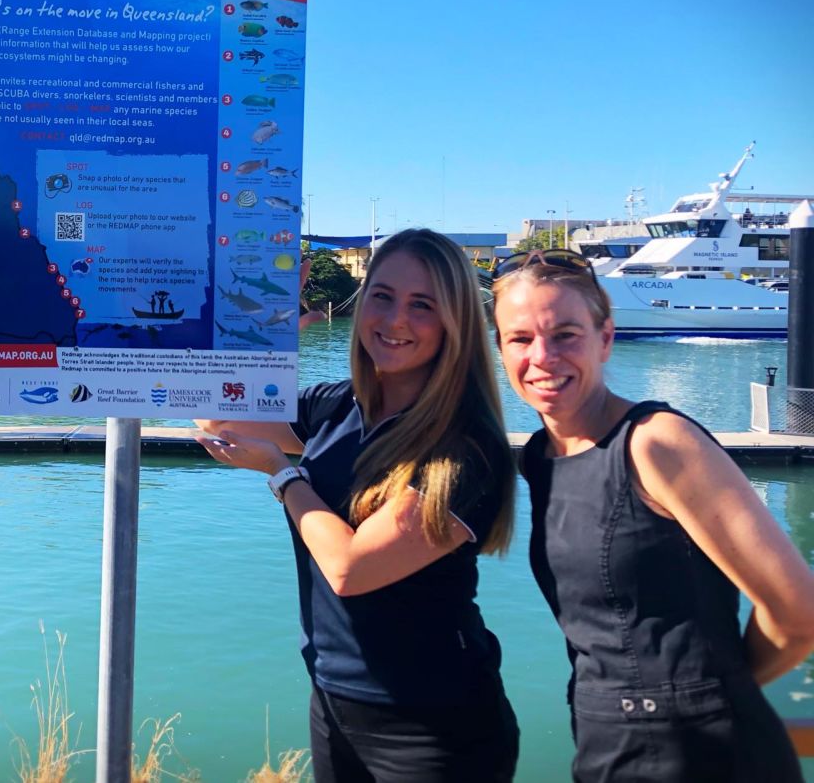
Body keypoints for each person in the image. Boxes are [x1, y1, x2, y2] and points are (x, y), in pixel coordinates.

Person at [198, 229, 519, 782]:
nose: (395, 319)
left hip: (435, 726)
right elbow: (218, 416)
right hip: (334, 700)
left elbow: (351, 568)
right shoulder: (340, 404)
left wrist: (283, 475)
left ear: (455, 322)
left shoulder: (466, 447)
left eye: (423, 305)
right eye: (383, 295)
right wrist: (265, 328)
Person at [490, 248, 814, 782]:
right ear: (500, 349)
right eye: (520, 338)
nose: (543, 357)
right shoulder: (541, 458)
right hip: (605, 749)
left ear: (606, 338)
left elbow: (796, 612)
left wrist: (704, 700)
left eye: (566, 334)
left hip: (705, 757)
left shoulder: (656, 443)